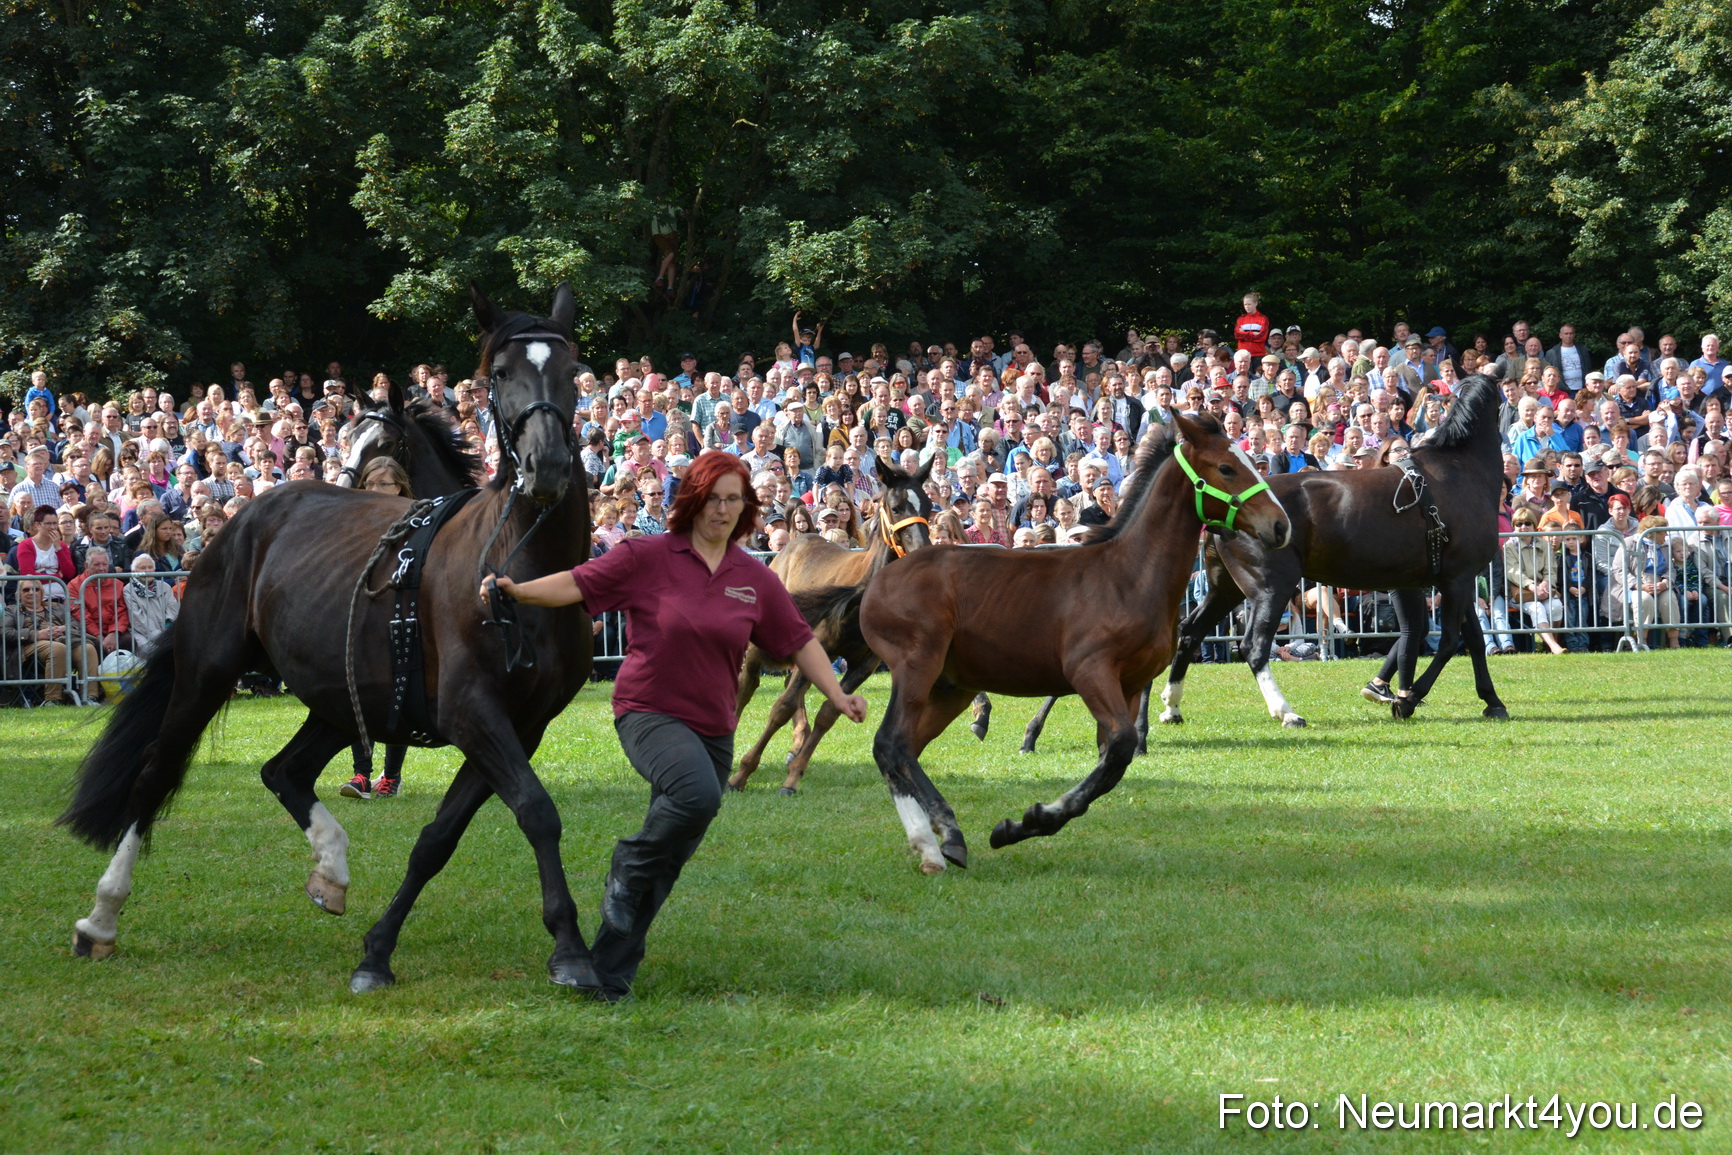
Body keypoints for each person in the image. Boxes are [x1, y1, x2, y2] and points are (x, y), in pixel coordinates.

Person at [481, 451, 866, 1001]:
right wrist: (518, 591)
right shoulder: (648, 556)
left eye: (735, 499)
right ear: (693, 500)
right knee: (696, 797)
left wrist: (838, 694)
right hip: (649, 711)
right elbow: (578, 584)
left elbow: (799, 641)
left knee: (673, 855)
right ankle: (626, 862)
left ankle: (609, 974)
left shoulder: (751, 577)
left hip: (714, 727)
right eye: (714, 497)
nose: (724, 509)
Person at [340, 457, 415, 800]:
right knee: (358, 694)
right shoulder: (354, 520)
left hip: (402, 616)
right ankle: (361, 773)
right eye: (368, 484)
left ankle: (391, 777)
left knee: (397, 696)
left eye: (381, 484)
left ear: (398, 486)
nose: (373, 491)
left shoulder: (415, 516)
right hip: (363, 615)